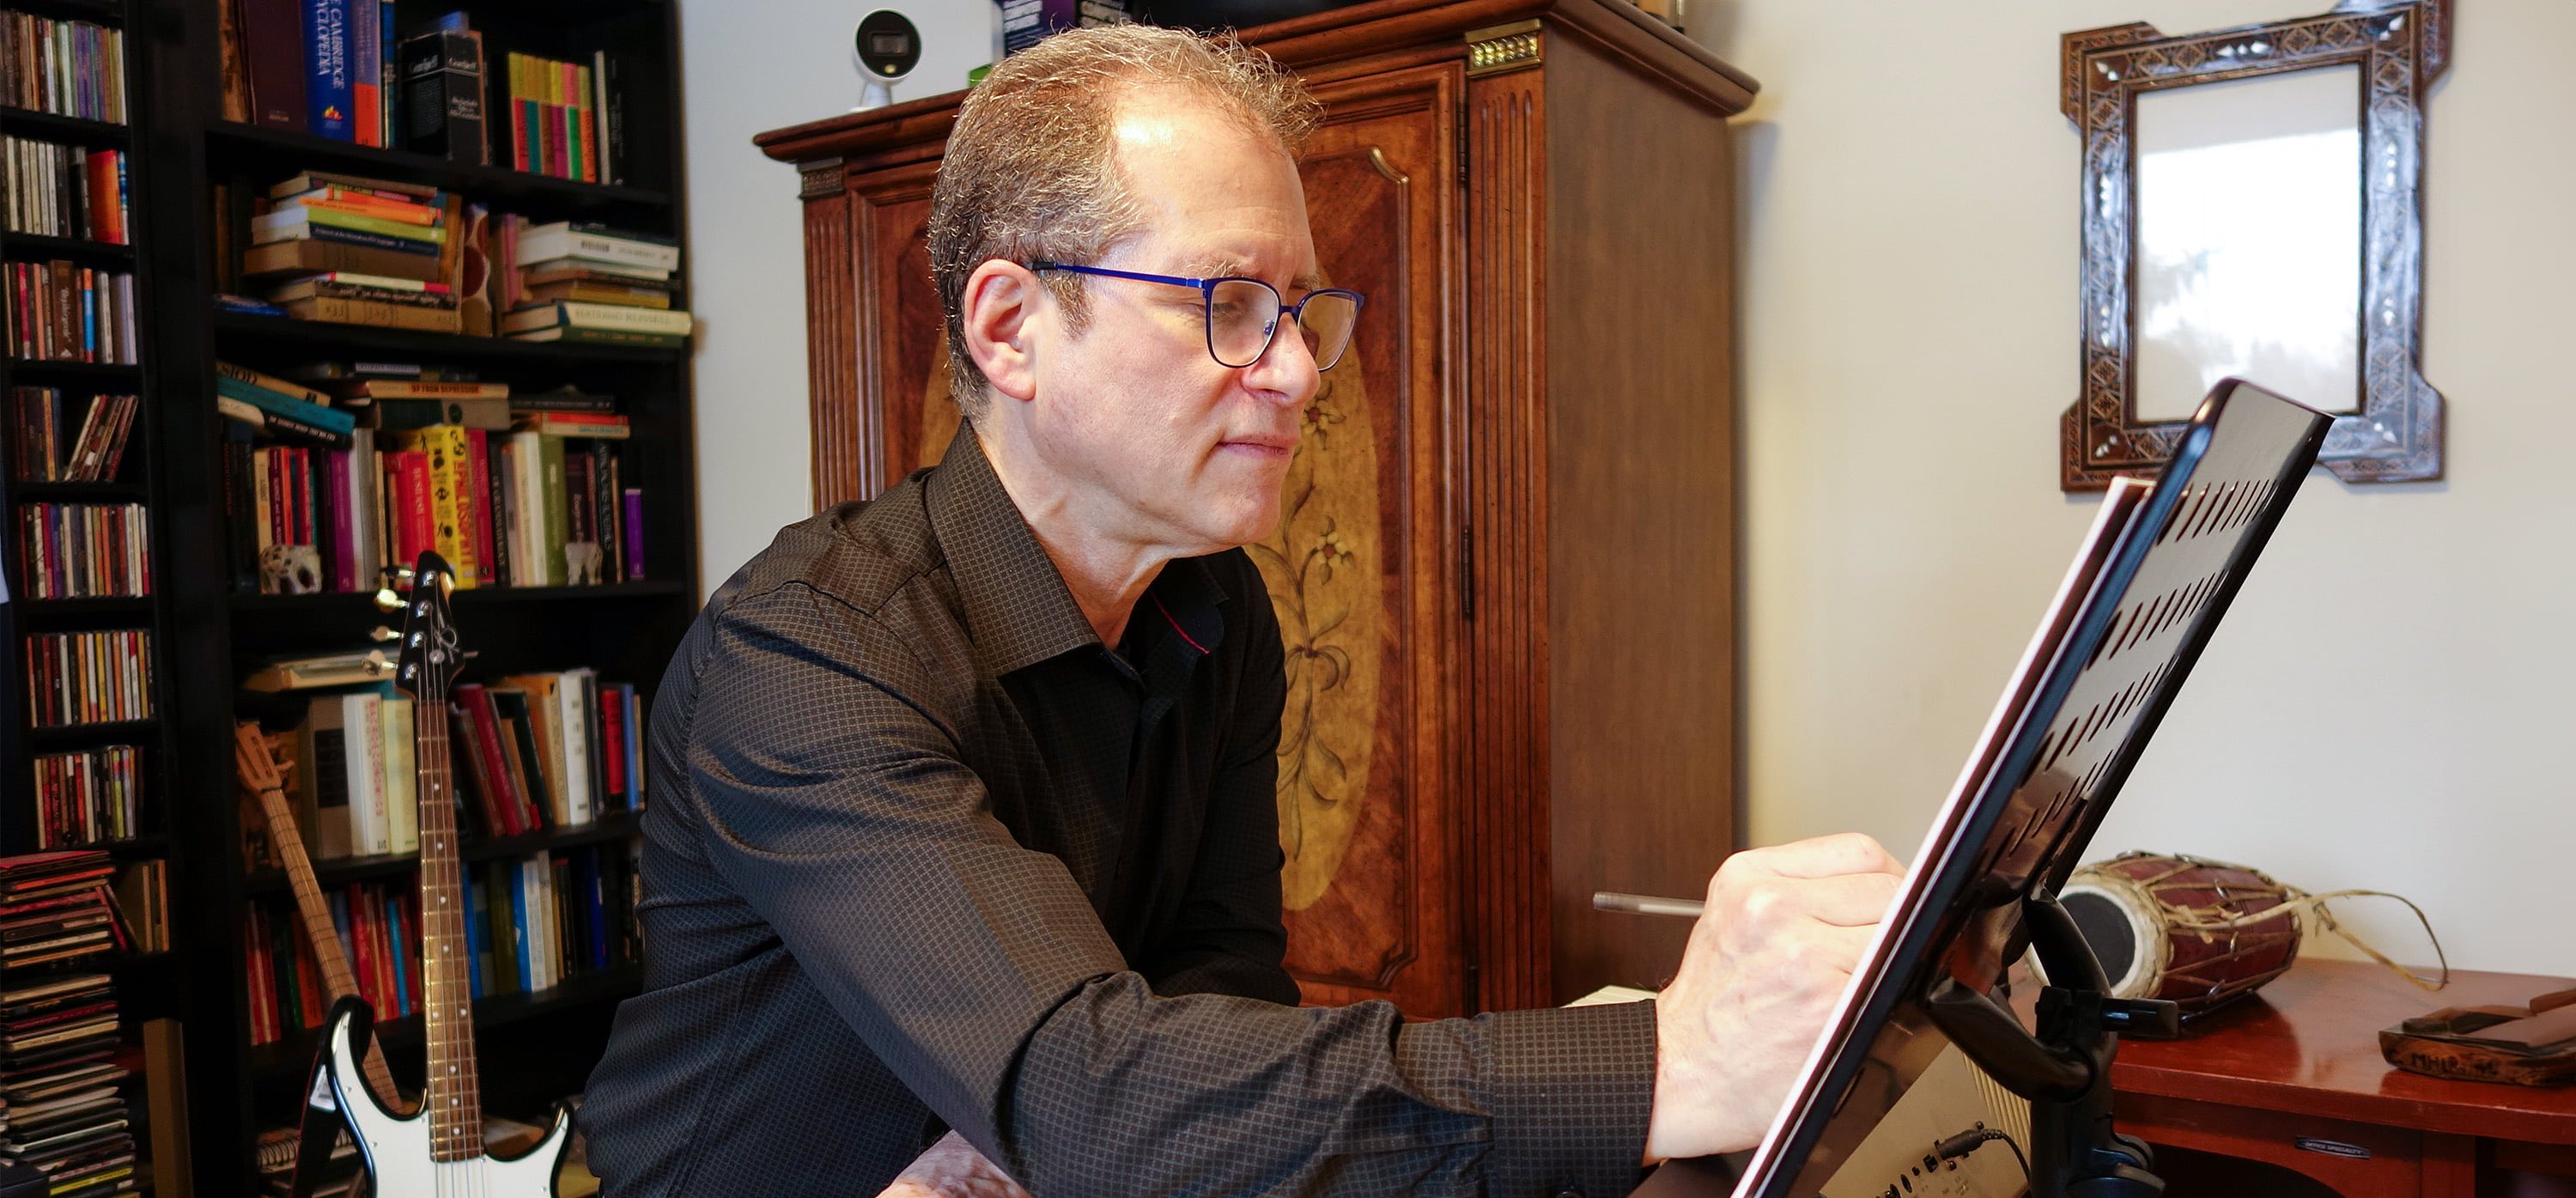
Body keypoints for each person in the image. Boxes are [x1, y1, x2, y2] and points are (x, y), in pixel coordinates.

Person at [580, 24, 1904, 1198]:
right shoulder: (805, 654)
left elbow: (1215, 988)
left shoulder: (1216, 608)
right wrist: (1672, 1061)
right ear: (1012, 328)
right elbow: (1089, 1093)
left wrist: (1068, 1142)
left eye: (1300, 312)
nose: (1296, 373)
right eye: (1228, 305)